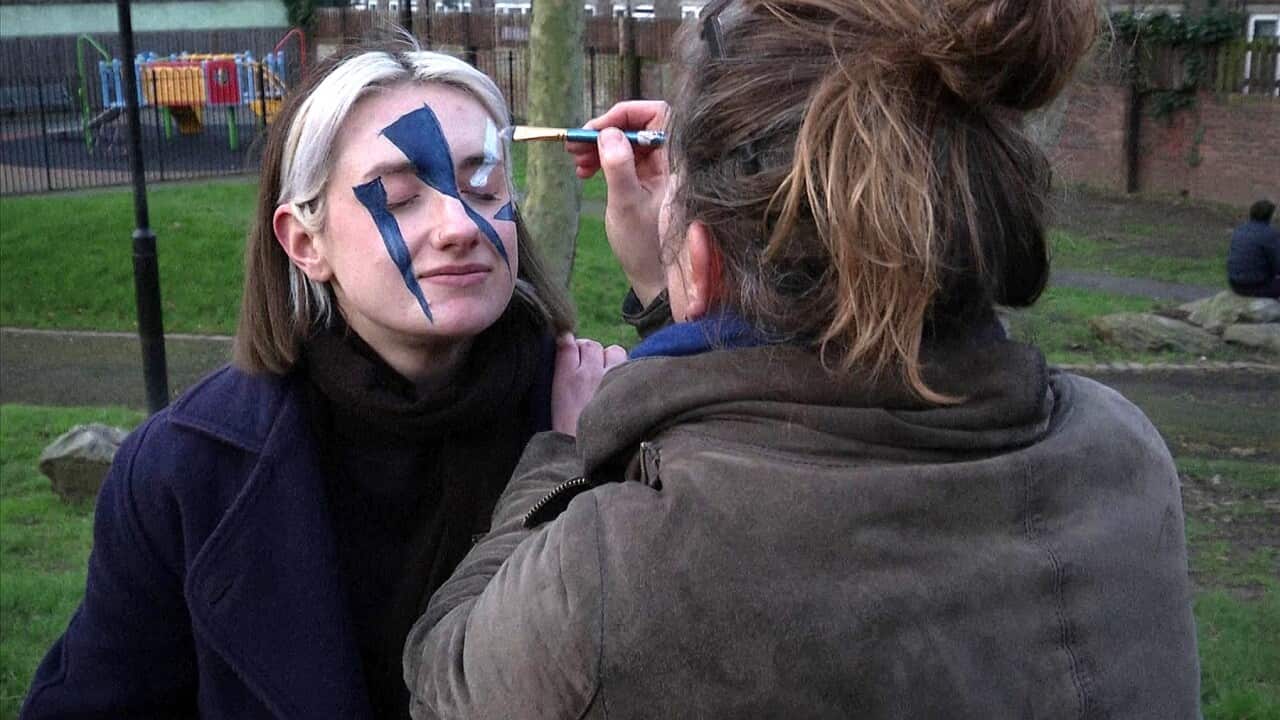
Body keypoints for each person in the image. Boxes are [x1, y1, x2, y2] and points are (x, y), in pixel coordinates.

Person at [403, 0, 1201, 717]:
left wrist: (567, 455)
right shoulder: (1120, 451)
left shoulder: (621, 573)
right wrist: (674, 282)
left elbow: (447, 679)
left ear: (705, 261)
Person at [21, 45, 625, 719]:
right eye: (398, 197)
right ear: (305, 242)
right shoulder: (183, 470)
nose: (459, 226)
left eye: (484, 187)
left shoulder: (599, 414)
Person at [1227, 199, 1280, 299]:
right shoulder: (1270, 234)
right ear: (1270, 216)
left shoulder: (1240, 230)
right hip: (1256, 287)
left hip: (1234, 284)